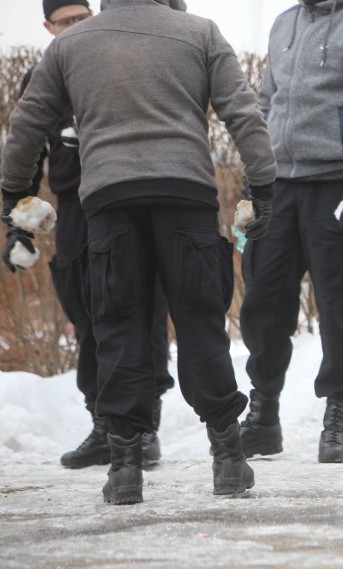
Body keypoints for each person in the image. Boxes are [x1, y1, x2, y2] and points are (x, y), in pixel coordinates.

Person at [1, 0, 276, 504]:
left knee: (118, 330)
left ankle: (125, 470)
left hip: (108, 199)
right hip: (186, 196)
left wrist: (12, 192)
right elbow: (244, 113)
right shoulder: (200, 32)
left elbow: (27, 122)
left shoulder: (70, 44)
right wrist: (262, 188)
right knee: (200, 325)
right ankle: (229, 460)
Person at [6, 0, 176, 471]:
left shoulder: (115, 61)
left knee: (140, 311)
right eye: (68, 22)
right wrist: (19, 227)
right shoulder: (41, 79)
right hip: (75, 211)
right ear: (47, 27)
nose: (79, 28)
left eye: (86, 19)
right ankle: (104, 425)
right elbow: (28, 157)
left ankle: (145, 429)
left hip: (129, 202)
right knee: (87, 316)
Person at [238, 0, 343, 464]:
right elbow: (266, 102)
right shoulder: (285, 22)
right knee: (262, 301)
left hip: (337, 183)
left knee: (338, 307)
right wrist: (255, 177)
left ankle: (337, 418)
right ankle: (263, 416)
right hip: (279, 185)